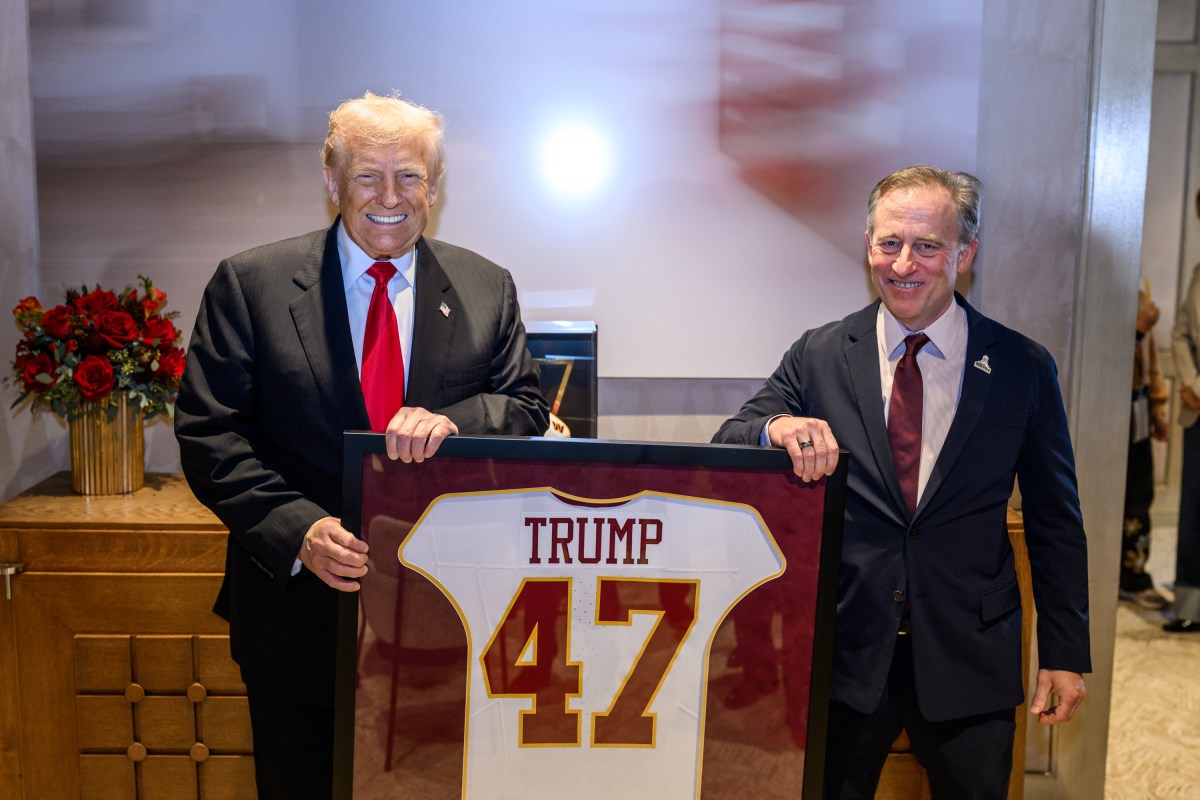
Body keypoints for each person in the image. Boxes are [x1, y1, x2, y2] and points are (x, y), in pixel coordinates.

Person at [174, 91, 550, 797]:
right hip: (299, 619)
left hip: (450, 617)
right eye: (367, 175)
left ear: (433, 186)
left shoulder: (485, 286)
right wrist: (299, 530)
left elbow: (526, 407)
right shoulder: (249, 285)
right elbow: (208, 431)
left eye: (408, 175)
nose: (389, 196)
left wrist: (456, 423)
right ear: (331, 180)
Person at [712, 166, 1090, 799]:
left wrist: (1064, 650)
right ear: (868, 246)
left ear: (965, 254)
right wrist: (776, 426)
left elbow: (1056, 519)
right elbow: (733, 435)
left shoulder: (1023, 366)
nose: (904, 263)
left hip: (970, 656)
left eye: (928, 246)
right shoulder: (821, 353)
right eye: (889, 243)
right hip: (848, 653)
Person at [1119, 287, 1170, 609]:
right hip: (1109, 416)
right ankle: (1118, 576)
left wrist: (1159, 407)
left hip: (1137, 409)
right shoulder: (1108, 293)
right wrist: (1137, 329)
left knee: (1139, 496)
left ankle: (1134, 576)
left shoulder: (1139, 292)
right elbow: (1108, 360)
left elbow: (1151, 361)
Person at [1166, 190, 1200, 633]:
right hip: (1199, 411)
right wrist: (1191, 382)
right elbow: (1179, 335)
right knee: (1194, 507)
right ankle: (1191, 606)